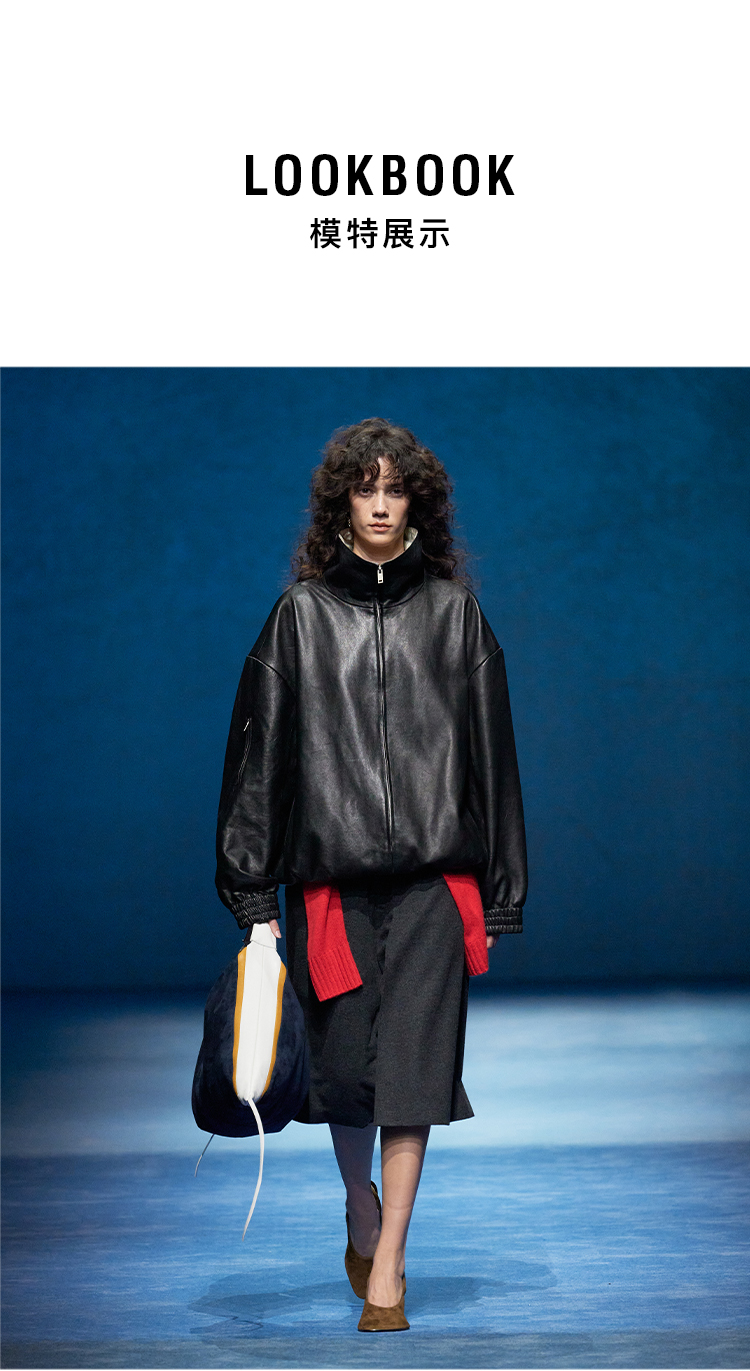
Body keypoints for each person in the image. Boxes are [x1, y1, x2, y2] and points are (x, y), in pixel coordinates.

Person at [215, 417, 527, 1331]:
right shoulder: (300, 619)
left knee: (415, 1075)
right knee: (347, 1076)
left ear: (417, 501)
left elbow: (494, 761)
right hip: (331, 888)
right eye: (366, 488)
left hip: (437, 881)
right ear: (341, 503)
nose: (382, 504)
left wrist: (502, 893)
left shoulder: (456, 615)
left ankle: (389, 1259)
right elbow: (259, 764)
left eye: (396, 489)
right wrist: (251, 894)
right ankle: (361, 1203)